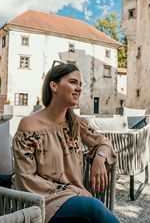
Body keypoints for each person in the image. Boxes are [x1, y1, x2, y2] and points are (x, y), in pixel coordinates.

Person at [12, 62, 120, 223]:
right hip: (40, 201)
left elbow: (103, 142)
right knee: (94, 208)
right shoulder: (29, 126)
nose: (79, 88)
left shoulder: (75, 123)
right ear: (54, 86)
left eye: (80, 84)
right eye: (72, 82)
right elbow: (26, 178)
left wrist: (100, 157)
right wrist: (74, 190)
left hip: (72, 198)